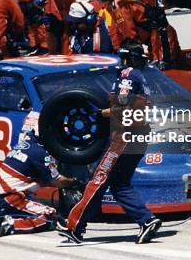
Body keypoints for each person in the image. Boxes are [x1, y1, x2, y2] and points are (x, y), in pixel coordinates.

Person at [57, 39, 162, 244]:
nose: (120, 61)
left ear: (127, 58)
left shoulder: (127, 75)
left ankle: (74, 226)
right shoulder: (146, 75)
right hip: (141, 136)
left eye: (122, 57)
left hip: (124, 136)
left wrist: (103, 113)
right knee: (119, 184)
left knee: (98, 179)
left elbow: (124, 108)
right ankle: (147, 220)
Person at [0, 129, 79, 236]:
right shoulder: (41, 152)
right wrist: (76, 182)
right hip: (14, 198)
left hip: (4, 198)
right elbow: (56, 181)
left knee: (35, 211)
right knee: (52, 216)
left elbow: (43, 179)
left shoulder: (25, 144)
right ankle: (12, 225)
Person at [93, 0, 181, 68]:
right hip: (153, 42)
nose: (97, 0)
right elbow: (116, 33)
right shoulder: (111, 7)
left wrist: (133, 56)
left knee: (165, 71)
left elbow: (131, 36)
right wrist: (117, 52)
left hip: (163, 38)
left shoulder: (121, 6)